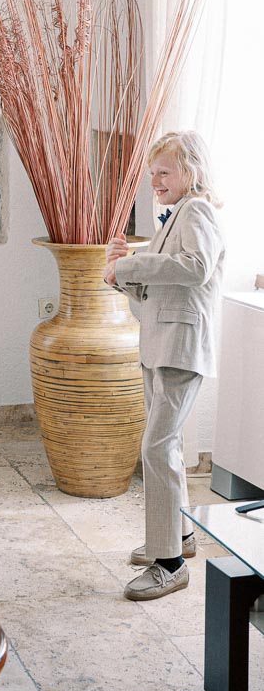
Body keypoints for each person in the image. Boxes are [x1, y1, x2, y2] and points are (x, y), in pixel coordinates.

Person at [105, 131, 224, 602]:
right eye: (152, 173)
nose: (155, 180)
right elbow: (162, 284)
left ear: (190, 172)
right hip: (162, 344)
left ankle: (168, 563)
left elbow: (195, 267)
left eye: (164, 172)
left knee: (157, 446)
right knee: (165, 445)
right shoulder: (174, 216)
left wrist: (133, 264)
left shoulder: (197, 211)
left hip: (180, 345)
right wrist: (121, 275)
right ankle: (182, 537)